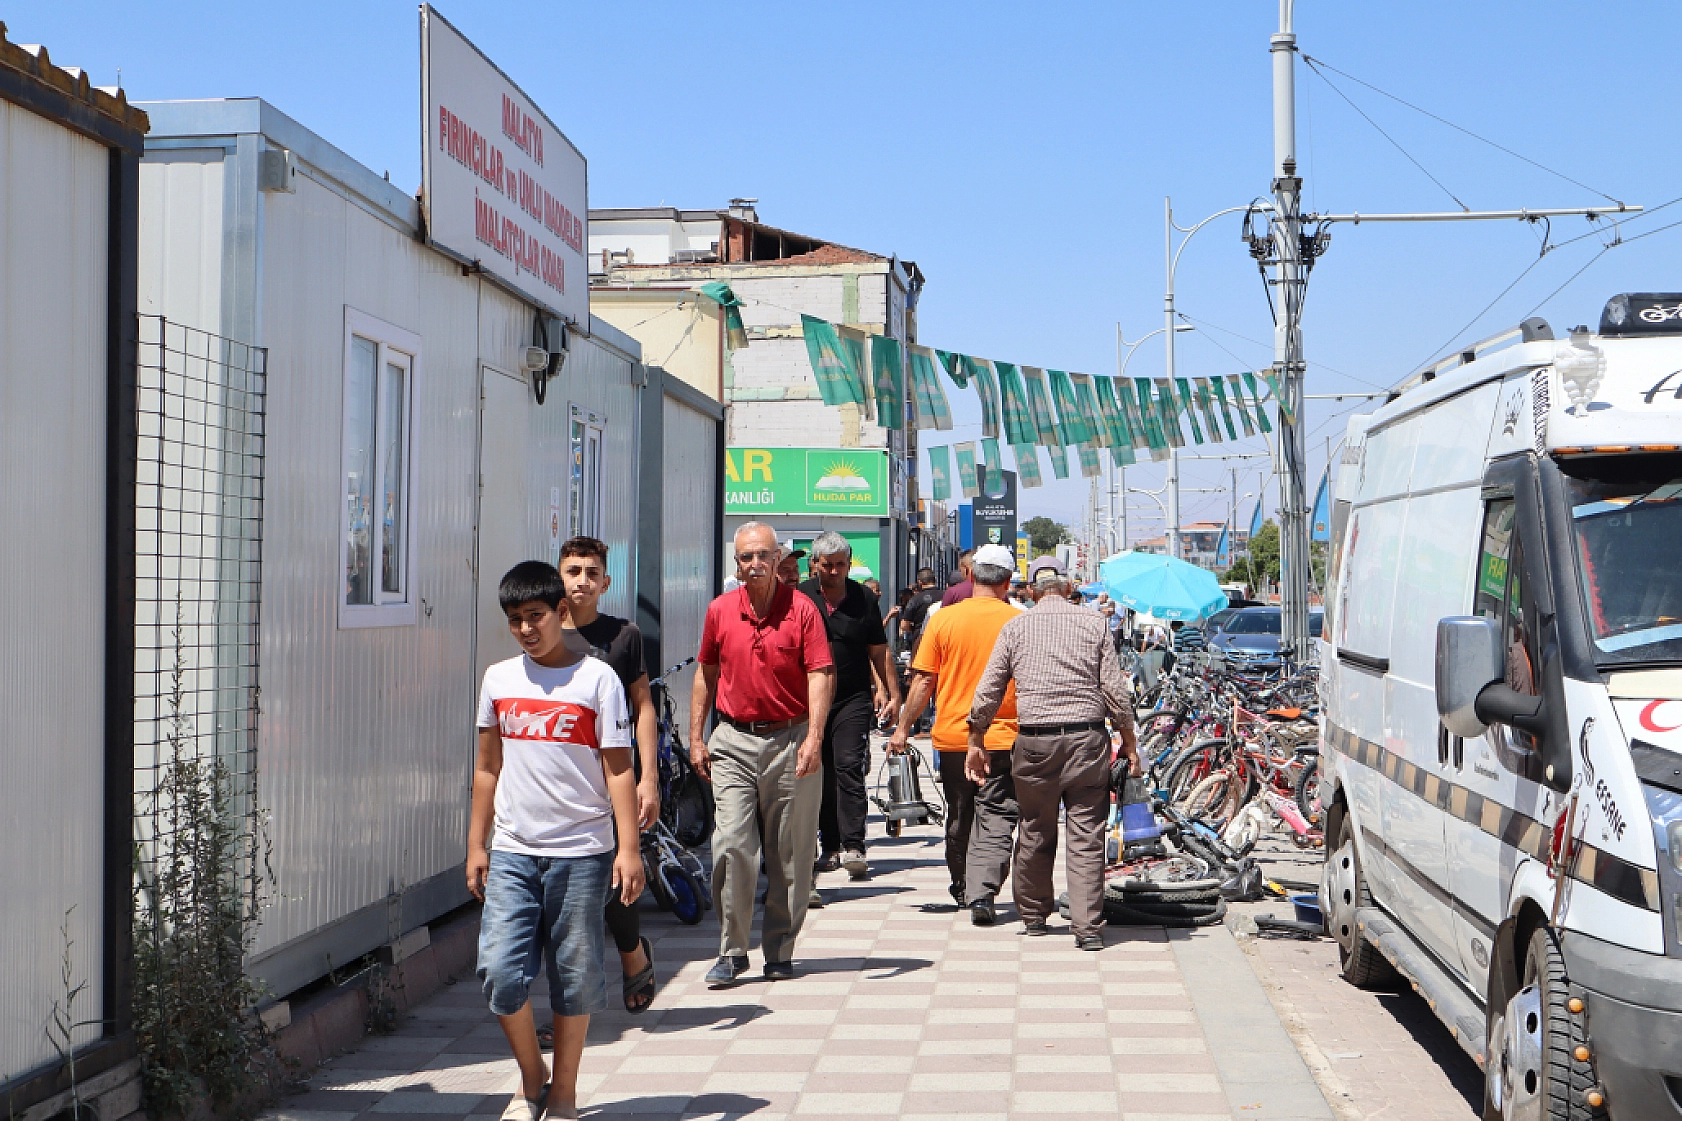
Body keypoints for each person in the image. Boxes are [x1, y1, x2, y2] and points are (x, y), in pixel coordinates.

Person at [468, 561, 644, 1121]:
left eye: (536, 616)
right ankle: (531, 1077)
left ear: (561, 612)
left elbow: (619, 768)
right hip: (513, 850)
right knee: (499, 972)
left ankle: (563, 1093)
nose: (525, 628)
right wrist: (476, 845)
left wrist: (629, 849)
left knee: (574, 977)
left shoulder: (598, 680)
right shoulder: (499, 680)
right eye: (515, 619)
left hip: (583, 854)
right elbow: (487, 768)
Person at [691, 522, 835, 987]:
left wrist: (815, 737)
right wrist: (696, 737)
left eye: (762, 556)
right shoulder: (720, 610)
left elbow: (820, 673)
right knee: (732, 844)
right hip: (733, 739)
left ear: (778, 560)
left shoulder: (803, 609)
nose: (754, 564)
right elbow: (705, 673)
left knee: (789, 852)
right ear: (736, 564)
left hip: (791, 739)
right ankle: (732, 950)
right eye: (745, 557)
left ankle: (780, 949)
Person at [969, 565, 1139, 950]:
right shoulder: (1094, 624)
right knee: (1087, 832)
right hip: (1086, 739)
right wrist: (1128, 741)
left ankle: (1033, 916)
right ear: (1068, 587)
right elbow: (1114, 690)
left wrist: (976, 736)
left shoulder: (1015, 627)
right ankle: (1088, 927)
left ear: (1031, 591)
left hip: (1034, 742)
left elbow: (990, 688)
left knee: (1034, 826)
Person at [886, 543, 1020, 924]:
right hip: (1004, 737)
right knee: (996, 816)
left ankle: (963, 886)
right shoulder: (1018, 620)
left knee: (960, 815)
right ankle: (983, 890)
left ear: (971, 575)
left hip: (954, 738)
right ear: (1008, 582)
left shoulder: (943, 620)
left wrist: (902, 729)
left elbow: (923, 680)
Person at [555, 537, 660, 1015]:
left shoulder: (624, 636)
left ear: (606, 582)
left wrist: (648, 778)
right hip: (558, 782)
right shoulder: (542, 631)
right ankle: (568, 1008)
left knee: (620, 877)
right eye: (573, 571)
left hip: (612, 776)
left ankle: (631, 952)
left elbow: (643, 707)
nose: (582, 580)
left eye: (591, 572)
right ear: (559, 577)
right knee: (561, 898)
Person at [801, 532, 901, 880]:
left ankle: (854, 845)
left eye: (840, 565)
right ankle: (829, 846)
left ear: (849, 562)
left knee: (848, 765)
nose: (834, 572)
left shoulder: (863, 598)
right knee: (820, 771)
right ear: (815, 564)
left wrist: (891, 692)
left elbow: (878, 649)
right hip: (809, 699)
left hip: (852, 696)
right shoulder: (800, 597)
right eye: (827, 565)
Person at [899, 567, 941, 652]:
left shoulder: (915, 599)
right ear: (935, 580)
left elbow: (904, 625)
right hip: (941, 639)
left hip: (920, 642)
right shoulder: (945, 595)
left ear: (920, 582)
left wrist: (915, 629)